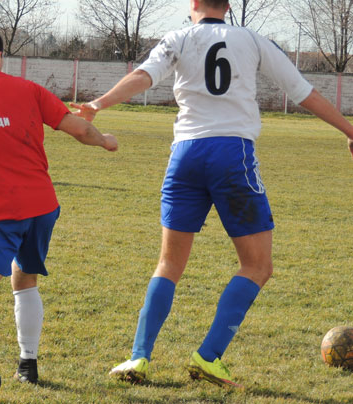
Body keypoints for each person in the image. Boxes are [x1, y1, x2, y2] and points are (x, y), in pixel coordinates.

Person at [72, 0, 353, 389]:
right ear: (228, 6)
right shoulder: (252, 39)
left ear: (194, 5)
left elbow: (143, 76)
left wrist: (97, 104)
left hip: (184, 155)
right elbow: (303, 91)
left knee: (169, 263)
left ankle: (138, 356)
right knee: (257, 266)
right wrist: (349, 131)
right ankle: (208, 357)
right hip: (231, 154)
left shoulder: (179, 37)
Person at [0, 28, 118, 401]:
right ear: (0, 56)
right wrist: (104, 140)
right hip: (41, 206)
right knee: (26, 279)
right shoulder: (29, 90)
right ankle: (28, 364)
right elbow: (78, 127)